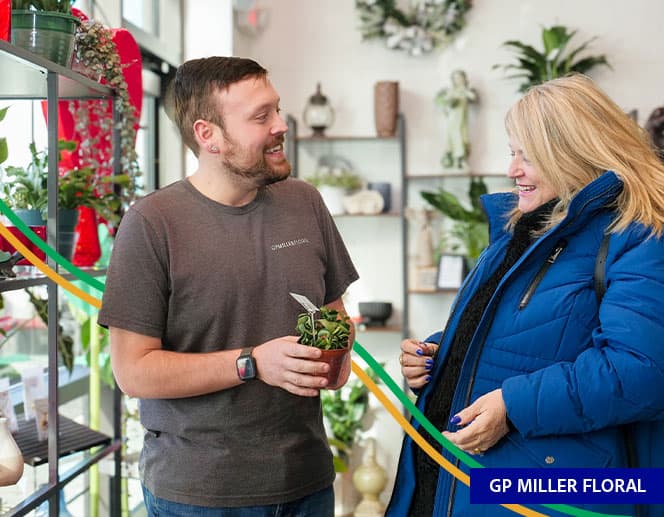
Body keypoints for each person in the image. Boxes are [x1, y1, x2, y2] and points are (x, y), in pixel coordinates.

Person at [387, 74, 664, 517]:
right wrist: (441, 350)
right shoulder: (527, 225)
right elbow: (531, 330)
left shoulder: (638, 233)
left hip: (542, 489)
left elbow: (642, 372)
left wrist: (513, 406)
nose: (513, 170)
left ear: (574, 153)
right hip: (449, 483)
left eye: (528, 156)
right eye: (512, 152)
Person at [98, 56, 359, 516]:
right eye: (261, 117)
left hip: (307, 481)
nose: (281, 125)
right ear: (208, 135)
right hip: (201, 495)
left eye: (276, 109)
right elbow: (133, 372)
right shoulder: (153, 224)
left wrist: (333, 357)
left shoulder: (304, 202)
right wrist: (252, 363)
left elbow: (331, 311)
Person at [436, 69, 478, 170]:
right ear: (453, 80)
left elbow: (473, 97)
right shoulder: (451, 91)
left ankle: (461, 160)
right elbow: (444, 103)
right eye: (456, 78)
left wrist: (464, 90)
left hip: (463, 120)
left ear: (464, 79)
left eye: (460, 78)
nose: (459, 80)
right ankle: (457, 160)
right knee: (455, 138)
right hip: (453, 120)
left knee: (463, 138)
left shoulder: (465, 91)